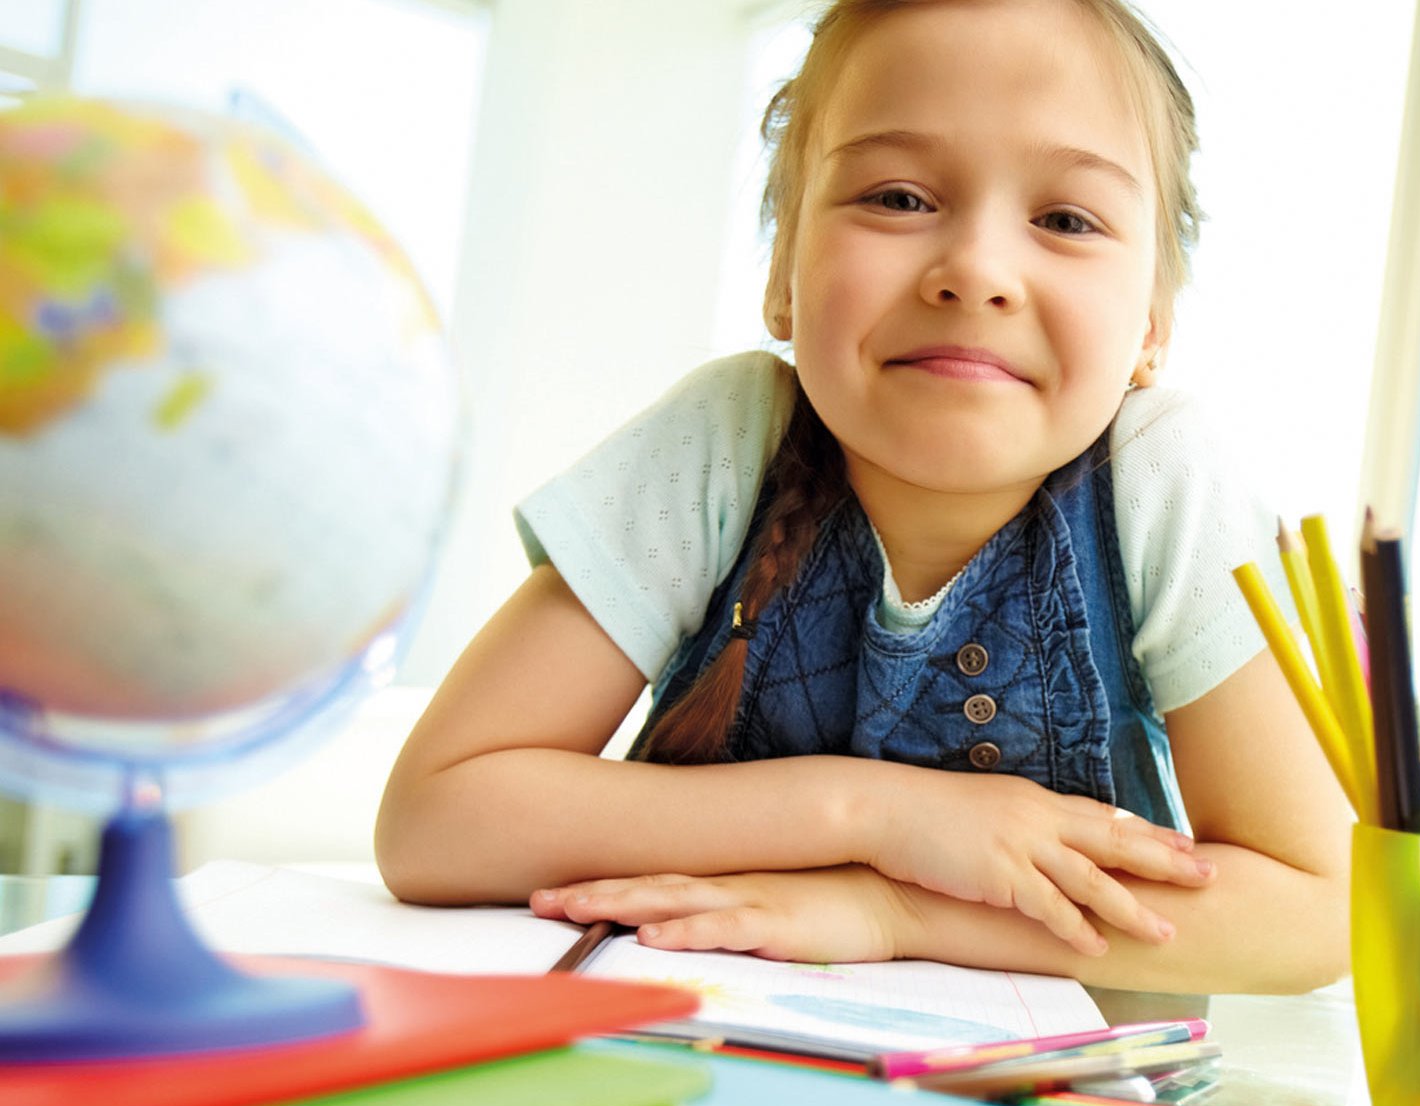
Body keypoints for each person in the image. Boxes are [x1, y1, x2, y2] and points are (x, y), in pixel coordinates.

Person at [375, 0, 1349, 993]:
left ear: (1152, 324)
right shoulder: (727, 440)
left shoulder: (1162, 480)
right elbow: (435, 818)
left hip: (1054, 1082)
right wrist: (876, 816)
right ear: (782, 275)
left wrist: (896, 909)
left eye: (1065, 219)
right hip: (689, 1034)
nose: (975, 271)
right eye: (897, 198)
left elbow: (1319, 909)